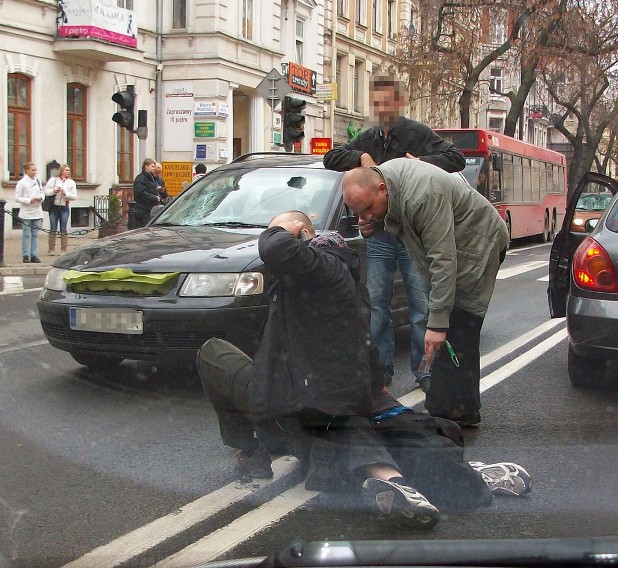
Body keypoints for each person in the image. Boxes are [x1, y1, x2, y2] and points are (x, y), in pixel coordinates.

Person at [198, 211, 442, 529]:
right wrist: (374, 389)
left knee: (212, 351)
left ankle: (251, 452)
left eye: (281, 231)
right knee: (343, 417)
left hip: (282, 403)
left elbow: (275, 249)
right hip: (327, 405)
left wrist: (281, 230)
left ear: (300, 236)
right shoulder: (353, 286)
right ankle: (391, 478)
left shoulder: (316, 267)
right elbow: (367, 348)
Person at [323, 74, 465, 393]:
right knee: (377, 306)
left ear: (400, 103)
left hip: (413, 235)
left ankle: (424, 371)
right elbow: (330, 158)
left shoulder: (416, 133)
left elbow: (455, 158)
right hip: (381, 236)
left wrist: (423, 162)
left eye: (388, 101)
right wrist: (360, 158)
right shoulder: (369, 137)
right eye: (377, 102)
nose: (382, 107)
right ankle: (381, 371)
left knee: (420, 306)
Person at [341, 159, 510, 426]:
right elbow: (404, 225)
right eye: (358, 214)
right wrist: (376, 225)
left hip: (477, 242)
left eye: (369, 209)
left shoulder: (424, 194)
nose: (366, 217)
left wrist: (438, 323)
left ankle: (458, 411)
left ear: (382, 189)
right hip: (455, 245)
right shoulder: (388, 186)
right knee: (448, 329)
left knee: (458, 324)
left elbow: (444, 259)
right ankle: (449, 407)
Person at [14, 162, 44, 264]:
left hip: (37, 211)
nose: (34, 172)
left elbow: (42, 192)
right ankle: (25, 255)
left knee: (35, 234)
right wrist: (29, 200)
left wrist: (41, 198)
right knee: (26, 234)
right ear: (27, 170)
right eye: (32, 170)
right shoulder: (22, 183)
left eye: (35, 170)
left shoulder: (38, 181)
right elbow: (17, 198)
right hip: (26, 212)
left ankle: (34, 255)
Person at [44, 164, 77, 255]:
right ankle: (51, 249)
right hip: (54, 207)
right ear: (61, 171)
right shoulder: (53, 180)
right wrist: (54, 191)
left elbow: (74, 196)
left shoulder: (71, 182)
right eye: (66, 170)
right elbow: (46, 191)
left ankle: (64, 249)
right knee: (53, 227)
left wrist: (66, 193)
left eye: (69, 170)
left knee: (63, 228)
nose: (68, 172)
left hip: (64, 207)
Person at [130, 158, 163, 229]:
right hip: (143, 211)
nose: (154, 168)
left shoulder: (152, 178)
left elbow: (153, 190)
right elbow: (141, 193)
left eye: (155, 166)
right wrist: (154, 198)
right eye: (152, 166)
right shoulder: (140, 178)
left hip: (152, 209)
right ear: (146, 166)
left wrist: (160, 192)